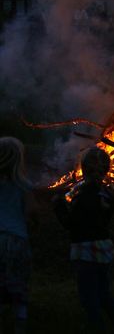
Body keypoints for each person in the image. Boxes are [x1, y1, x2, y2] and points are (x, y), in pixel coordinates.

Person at [53, 146, 114, 333]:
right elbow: (105, 220)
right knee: (103, 292)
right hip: (105, 248)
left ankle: (97, 327)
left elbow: (71, 224)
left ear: (83, 169)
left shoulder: (80, 195)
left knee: (88, 297)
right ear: (106, 170)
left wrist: (58, 207)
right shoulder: (108, 195)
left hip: (85, 250)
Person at [0, 137, 37, 334]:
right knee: (18, 283)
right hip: (16, 240)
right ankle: (19, 323)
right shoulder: (23, 185)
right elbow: (32, 212)